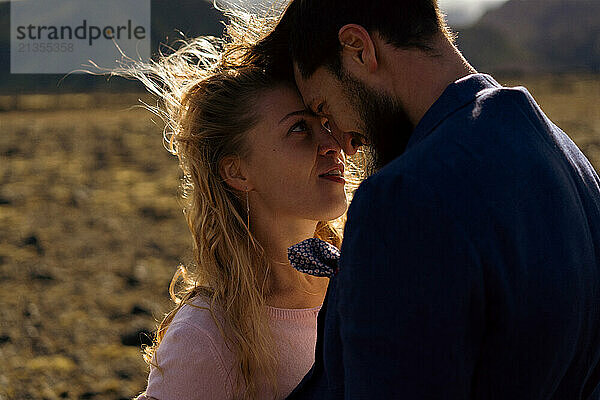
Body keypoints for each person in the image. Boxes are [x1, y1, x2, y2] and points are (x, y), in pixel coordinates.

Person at [245, 0, 600, 398]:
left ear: (358, 48)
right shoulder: (571, 163)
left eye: (325, 109)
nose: (345, 143)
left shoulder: (405, 199)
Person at [117, 33, 363, 400]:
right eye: (299, 128)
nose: (334, 145)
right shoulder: (207, 339)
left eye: (327, 122)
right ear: (237, 172)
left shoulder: (364, 283)